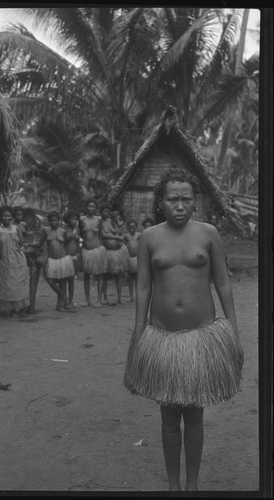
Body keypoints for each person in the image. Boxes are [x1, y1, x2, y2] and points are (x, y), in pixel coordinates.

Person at [123, 167, 244, 492]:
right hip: (162, 338)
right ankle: (173, 486)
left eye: (185, 199)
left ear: (195, 203)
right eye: (172, 199)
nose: (179, 205)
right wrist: (139, 331)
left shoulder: (208, 233)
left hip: (201, 339)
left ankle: (191, 486)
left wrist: (232, 329)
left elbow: (222, 282)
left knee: (194, 417)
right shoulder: (149, 237)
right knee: (167, 419)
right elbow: (144, 284)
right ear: (159, 202)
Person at [0, 205, 29, 317]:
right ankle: (5, 309)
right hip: (5, 260)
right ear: (1, 217)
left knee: (18, 284)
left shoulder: (16, 228)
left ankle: (18, 309)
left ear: (11, 217)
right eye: (4, 216)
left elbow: (22, 243)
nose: (6, 218)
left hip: (18, 260)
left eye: (8, 216)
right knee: (6, 284)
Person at [26, 210, 75, 312]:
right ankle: (63, 296)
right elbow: (40, 243)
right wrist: (29, 244)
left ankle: (60, 305)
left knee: (62, 281)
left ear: (59, 221)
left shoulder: (63, 231)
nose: (54, 222)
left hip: (62, 260)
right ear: (49, 221)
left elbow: (67, 243)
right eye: (52, 220)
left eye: (56, 220)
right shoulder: (46, 231)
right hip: (51, 260)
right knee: (50, 280)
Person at [79, 199, 107, 307]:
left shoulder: (99, 220)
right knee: (86, 275)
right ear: (86, 207)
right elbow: (80, 234)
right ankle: (87, 300)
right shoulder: (81, 220)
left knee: (99, 275)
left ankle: (99, 300)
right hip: (86, 250)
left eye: (93, 207)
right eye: (89, 206)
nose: (91, 208)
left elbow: (101, 234)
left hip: (96, 250)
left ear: (96, 208)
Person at [100, 204, 129, 305]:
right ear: (101, 212)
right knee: (105, 275)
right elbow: (104, 235)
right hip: (107, 251)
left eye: (108, 212)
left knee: (119, 274)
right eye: (104, 211)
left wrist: (119, 224)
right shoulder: (100, 222)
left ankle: (120, 297)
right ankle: (105, 297)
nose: (106, 214)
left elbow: (119, 232)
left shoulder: (112, 222)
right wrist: (117, 238)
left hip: (118, 251)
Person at [63, 209, 82, 311]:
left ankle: (71, 301)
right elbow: (62, 242)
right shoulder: (64, 229)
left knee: (71, 280)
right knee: (64, 281)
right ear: (67, 220)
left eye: (75, 219)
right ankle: (63, 301)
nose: (74, 221)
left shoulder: (77, 230)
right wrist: (68, 237)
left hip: (75, 257)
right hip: (66, 257)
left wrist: (79, 241)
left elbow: (80, 243)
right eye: (72, 219)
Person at [123, 219, 141, 302]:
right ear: (128, 228)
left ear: (136, 227)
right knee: (130, 279)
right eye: (130, 227)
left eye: (133, 227)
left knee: (137, 279)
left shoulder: (139, 235)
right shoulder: (126, 236)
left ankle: (138, 296)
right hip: (129, 258)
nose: (132, 229)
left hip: (137, 259)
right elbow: (124, 246)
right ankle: (131, 296)